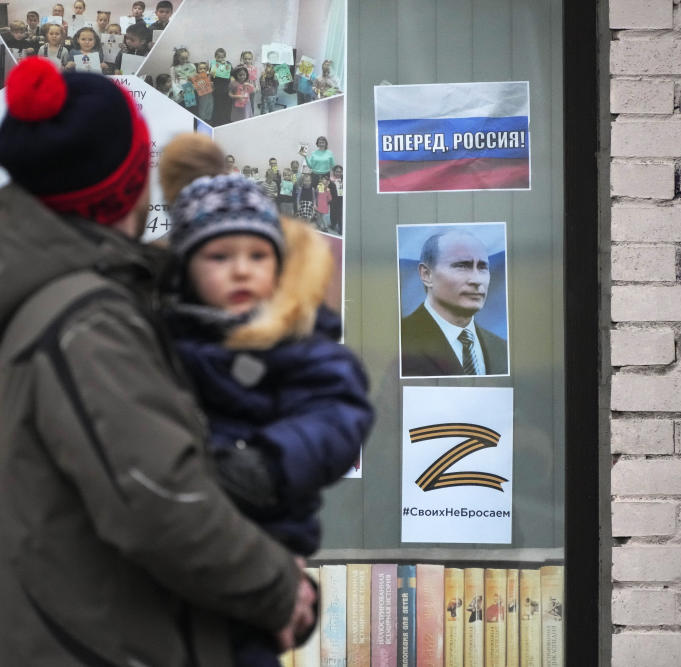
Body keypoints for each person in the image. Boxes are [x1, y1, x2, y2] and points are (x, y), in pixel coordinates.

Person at [0, 57, 316, 666]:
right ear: (128, 185)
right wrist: (283, 591)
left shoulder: (69, 301)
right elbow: (161, 502)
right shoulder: (87, 322)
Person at [159, 133, 373, 667]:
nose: (241, 269)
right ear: (185, 267)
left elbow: (339, 413)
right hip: (183, 546)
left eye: (258, 255)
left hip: (267, 531)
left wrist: (271, 461)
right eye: (219, 255)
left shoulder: (296, 341)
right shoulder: (167, 335)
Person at [400, 229, 509, 377]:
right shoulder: (400, 341)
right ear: (426, 274)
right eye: (462, 266)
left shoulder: (501, 348)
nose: (476, 280)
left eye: (483, 267)